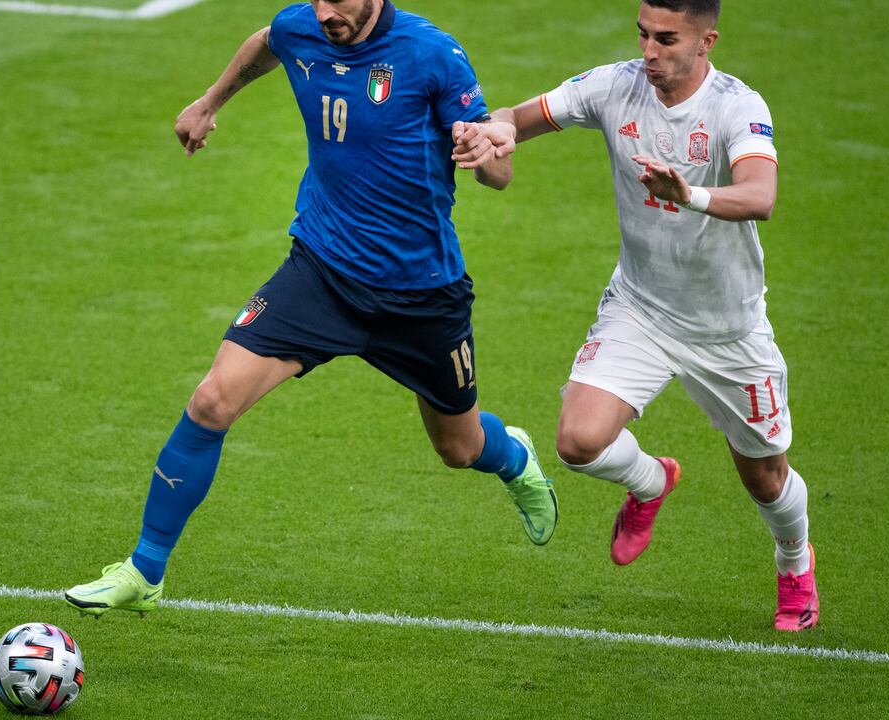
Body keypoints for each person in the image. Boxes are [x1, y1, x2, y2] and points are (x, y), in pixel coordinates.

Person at [63, 0, 558, 618]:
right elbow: (266, 41)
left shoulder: (433, 54)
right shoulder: (304, 24)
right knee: (212, 401)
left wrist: (487, 158)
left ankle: (514, 457)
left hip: (420, 295)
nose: (326, 13)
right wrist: (211, 101)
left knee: (458, 448)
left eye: (339, 1)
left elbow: (501, 169)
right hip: (320, 273)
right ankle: (145, 569)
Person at [452, 0, 818, 631]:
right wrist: (499, 131)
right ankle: (651, 482)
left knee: (764, 478)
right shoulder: (615, 85)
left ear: (707, 41)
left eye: (667, 39)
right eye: (643, 34)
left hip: (727, 329)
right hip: (641, 309)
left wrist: (690, 194)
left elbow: (761, 196)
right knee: (578, 442)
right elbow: (519, 115)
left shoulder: (737, 106)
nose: (649, 51)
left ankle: (793, 560)